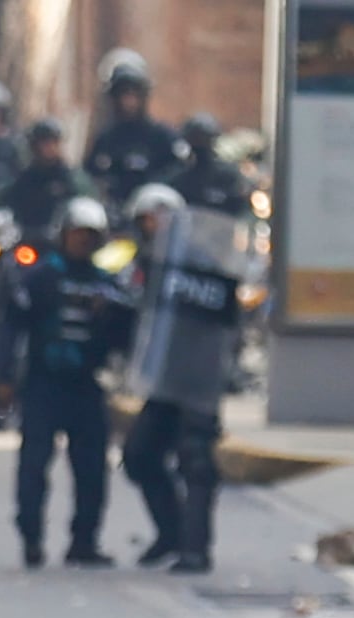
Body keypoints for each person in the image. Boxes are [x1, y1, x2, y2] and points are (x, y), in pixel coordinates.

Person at [0, 196, 131, 568]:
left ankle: (84, 541)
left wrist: (112, 316)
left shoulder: (107, 285)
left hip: (86, 386)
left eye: (91, 236)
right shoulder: (40, 278)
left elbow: (126, 337)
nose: (83, 242)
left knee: (91, 468)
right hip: (43, 383)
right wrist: (3, 377)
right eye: (77, 234)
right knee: (34, 465)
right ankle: (32, 538)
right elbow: (11, 329)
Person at [118, 182, 235, 571]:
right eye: (147, 221)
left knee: (197, 462)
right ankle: (171, 532)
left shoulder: (203, 263)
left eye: (159, 218)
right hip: (164, 381)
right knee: (139, 455)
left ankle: (195, 548)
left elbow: (225, 321)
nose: (154, 227)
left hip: (198, 380)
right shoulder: (143, 265)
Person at [85, 48, 178, 204]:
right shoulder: (105, 140)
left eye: (134, 94)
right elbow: (90, 180)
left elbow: (179, 178)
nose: (128, 102)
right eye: (122, 94)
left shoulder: (163, 137)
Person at [0, 117, 90, 247]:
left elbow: (87, 206)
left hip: (61, 244)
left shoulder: (71, 179)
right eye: (43, 142)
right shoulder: (25, 178)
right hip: (23, 241)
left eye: (53, 142)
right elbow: (1, 198)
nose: (48, 148)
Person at [167, 114, 248, 216]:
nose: (200, 144)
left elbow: (239, 208)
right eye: (195, 139)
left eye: (205, 139)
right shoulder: (179, 178)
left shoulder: (227, 176)